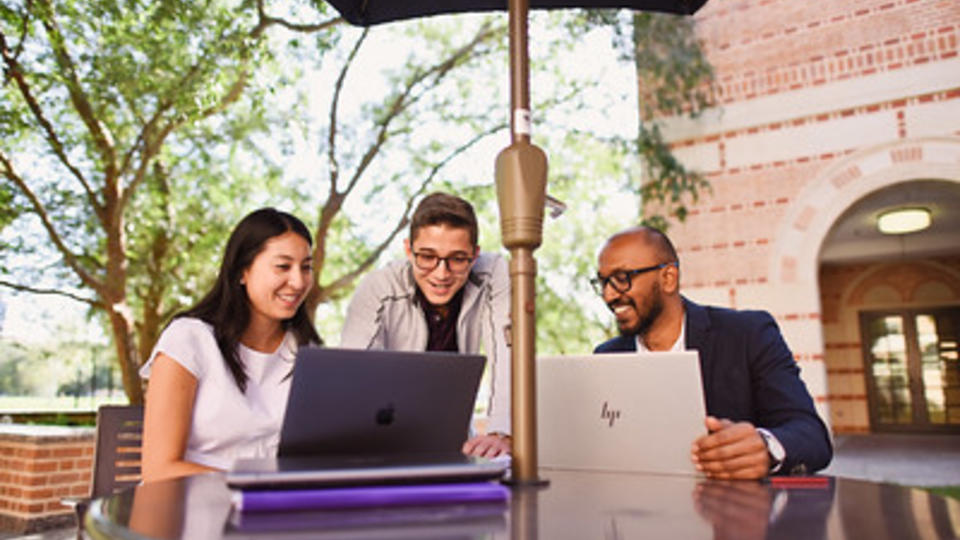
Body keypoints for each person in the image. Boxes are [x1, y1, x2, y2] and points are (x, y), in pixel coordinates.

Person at [592, 226, 832, 479]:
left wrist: (766, 448)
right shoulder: (607, 356)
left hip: (731, 511)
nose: (608, 295)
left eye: (621, 279)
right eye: (603, 282)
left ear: (668, 278)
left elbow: (811, 436)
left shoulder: (748, 334)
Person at [140, 208, 322, 482]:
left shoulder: (306, 351)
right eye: (283, 267)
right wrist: (262, 485)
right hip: (189, 505)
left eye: (306, 267)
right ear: (242, 272)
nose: (298, 281)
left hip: (273, 509)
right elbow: (159, 469)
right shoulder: (189, 339)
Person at [340, 192, 511, 457]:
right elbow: (353, 376)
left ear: (475, 255)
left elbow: (508, 353)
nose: (441, 273)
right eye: (427, 256)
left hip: (458, 445)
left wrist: (502, 432)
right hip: (387, 446)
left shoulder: (494, 273)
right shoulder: (377, 288)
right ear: (409, 250)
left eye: (457, 258)